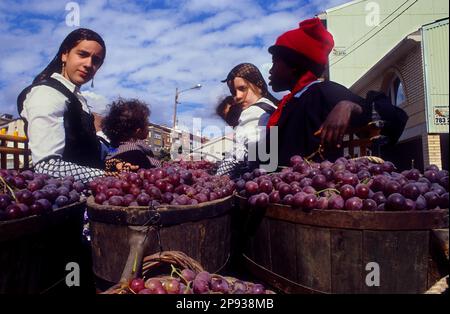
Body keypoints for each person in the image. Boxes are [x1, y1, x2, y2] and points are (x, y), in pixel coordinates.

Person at [266, 18, 379, 166]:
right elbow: (269, 160)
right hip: (278, 186)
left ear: (293, 64)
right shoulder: (289, 103)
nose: (270, 70)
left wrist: (349, 106)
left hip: (314, 186)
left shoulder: (323, 91)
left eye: (275, 61)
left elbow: (387, 115)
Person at [17, 28, 110, 183]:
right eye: (82, 54)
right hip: (64, 196)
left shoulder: (77, 98)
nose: (89, 64)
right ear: (65, 54)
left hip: (90, 190)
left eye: (96, 60)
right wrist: (108, 178)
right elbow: (47, 167)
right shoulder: (46, 93)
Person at [216, 63, 278, 177]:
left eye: (242, 88)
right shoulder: (273, 107)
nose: (238, 96)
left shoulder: (252, 111)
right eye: (233, 92)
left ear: (258, 86)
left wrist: (218, 178)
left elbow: (237, 156)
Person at [101, 98, 161, 171]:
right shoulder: (134, 154)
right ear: (138, 131)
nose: (148, 127)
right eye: (146, 124)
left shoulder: (113, 149)